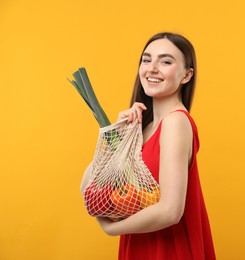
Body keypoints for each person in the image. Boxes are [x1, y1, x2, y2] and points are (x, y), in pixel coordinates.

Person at [81, 32, 216, 259]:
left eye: (165, 61)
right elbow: (87, 188)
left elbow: (170, 211)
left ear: (186, 75)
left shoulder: (175, 122)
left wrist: (112, 228)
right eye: (146, 60)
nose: (152, 68)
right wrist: (118, 136)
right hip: (140, 245)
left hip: (166, 250)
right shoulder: (145, 126)